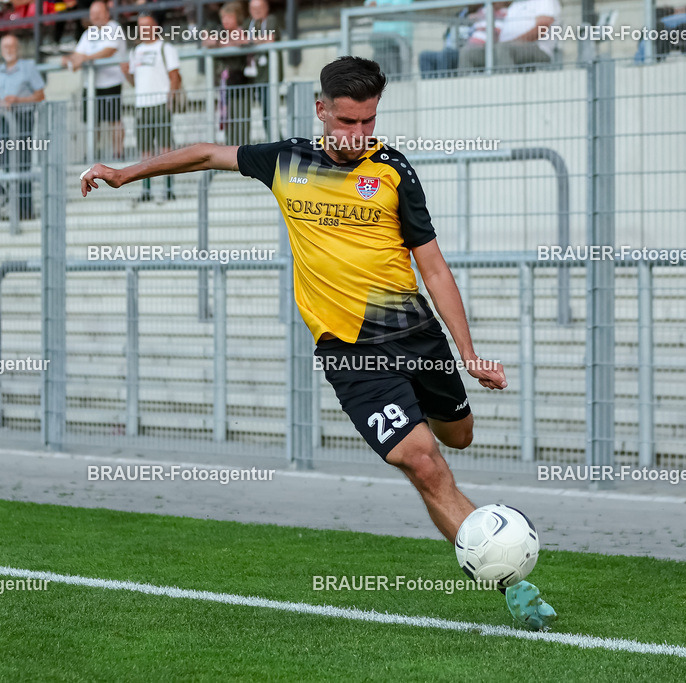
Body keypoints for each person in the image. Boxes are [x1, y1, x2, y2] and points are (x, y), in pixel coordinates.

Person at [79, 56, 558, 632]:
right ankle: (510, 580)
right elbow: (206, 153)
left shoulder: (393, 171)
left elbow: (433, 266)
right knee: (423, 463)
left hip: (417, 336)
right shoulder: (288, 161)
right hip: (350, 353)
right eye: (348, 121)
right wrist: (125, 173)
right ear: (321, 110)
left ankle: (451, 464)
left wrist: (468, 353)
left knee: (458, 436)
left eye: (369, 121)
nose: (359, 134)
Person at [0, 33, 44, 220]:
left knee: (22, 163)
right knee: (7, 164)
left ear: (18, 48)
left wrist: (17, 101)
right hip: (3, 121)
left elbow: (40, 95)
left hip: (23, 119)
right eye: (5, 47)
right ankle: (12, 207)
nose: (9, 50)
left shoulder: (28, 67)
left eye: (12, 46)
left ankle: (25, 210)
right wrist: (2, 104)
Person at [121, 12, 181, 204]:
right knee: (145, 150)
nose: (143, 29)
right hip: (142, 105)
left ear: (155, 26)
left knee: (165, 149)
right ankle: (146, 190)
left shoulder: (165, 47)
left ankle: (168, 189)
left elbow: (175, 76)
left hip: (161, 102)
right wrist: (126, 73)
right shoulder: (135, 51)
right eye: (141, 26)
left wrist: (171, 97)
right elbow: (134, 81)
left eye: (147, 25)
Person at [62, 0, 127, 159]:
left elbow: (109, 50)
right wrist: (68, 59)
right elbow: (78, 55)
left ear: (107, 14)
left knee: (114, 120)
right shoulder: (87, 34)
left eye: (99, 13)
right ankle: (91, 155)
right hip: (90, 85)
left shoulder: (114, 27)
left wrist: (85, 58)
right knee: (92, 121)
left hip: (111, 82)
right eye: (93, 14)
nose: (96, 17)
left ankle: (118, 153)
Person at [459, 0, 559, 69]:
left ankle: (505, 88)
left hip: (537, 49)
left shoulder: (544, 1)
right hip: (504, 47)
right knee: (468, 53)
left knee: (502, 49)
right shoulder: (514, 5)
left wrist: (515, 42)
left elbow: (542, 28)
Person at [204, 2, 251, 146]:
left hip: (241, 83)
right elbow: (206, 41)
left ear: (237, 17)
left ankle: (242, 150)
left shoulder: (243, 30)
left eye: (229, 17)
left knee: (241, 120)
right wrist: (222, 42)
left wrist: (224, 43)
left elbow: (242, 40)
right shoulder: (221, 32)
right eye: (223, 17)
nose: (225, 21)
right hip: (225, 85)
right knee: (228, 121)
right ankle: (230, 150)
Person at [245, 0, 279, 140]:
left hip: (269, 75)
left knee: (269, 112)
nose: (257, 11)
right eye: (253, 8)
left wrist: (249, 41)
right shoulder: (248, 23)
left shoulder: (271, 20)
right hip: (251, 75)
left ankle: (276, 140)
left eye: (259, 8)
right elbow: (238, 38)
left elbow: (270, 38)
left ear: (266, 8)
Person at [363, 0, 414, 77]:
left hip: (399, 44)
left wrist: (378, 7)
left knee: (397, 78)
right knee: (378, 76)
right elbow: (368, 5)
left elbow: (399, 7)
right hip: (379, 43)